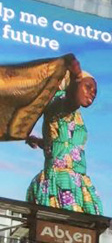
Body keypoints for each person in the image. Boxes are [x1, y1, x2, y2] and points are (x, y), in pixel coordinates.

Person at [24, 55, 103, 215]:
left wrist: (38, 141)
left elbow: (60, 139)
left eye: (95, 91)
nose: (92, 93)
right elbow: (70, 97)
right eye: (88, 87)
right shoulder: (62, 101)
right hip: (62, 180)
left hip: (77, 179)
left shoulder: (75, 114)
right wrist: (75, 76)